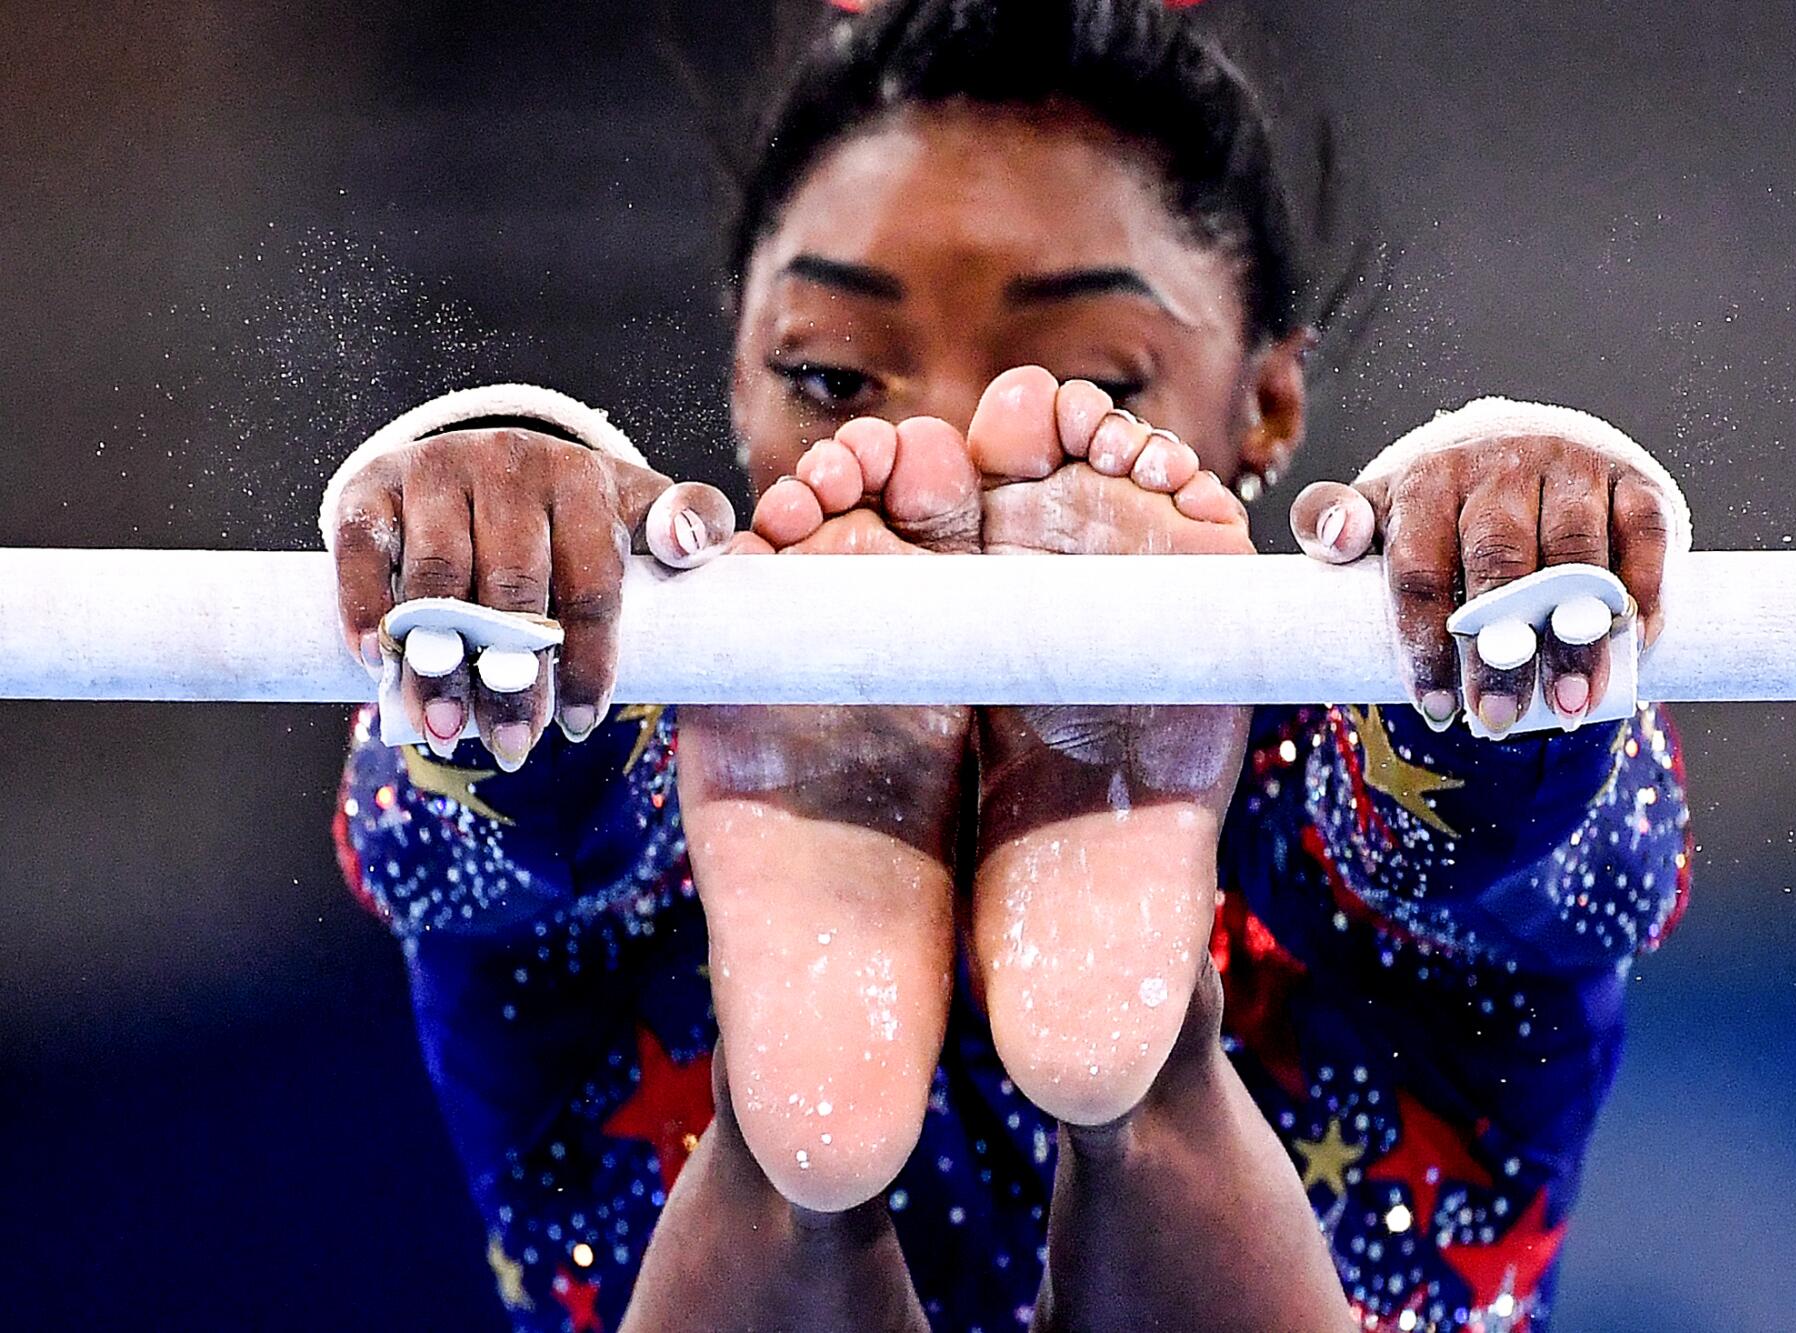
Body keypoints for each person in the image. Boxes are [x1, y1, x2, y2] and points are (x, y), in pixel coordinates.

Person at [326, 1, 1692, 1328]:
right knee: (542, 756)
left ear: (1268, 397)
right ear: (734, 372)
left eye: (1083, 376)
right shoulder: (682, 746)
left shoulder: (1316, 756)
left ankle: (794, 1161)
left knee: (1475, 781)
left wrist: (1485, 536)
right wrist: (505, 516)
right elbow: (450, 841)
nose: (959, 448)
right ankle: (1134, 1085)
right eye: (836, 376)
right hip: (730, 785)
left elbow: (1568, 856)